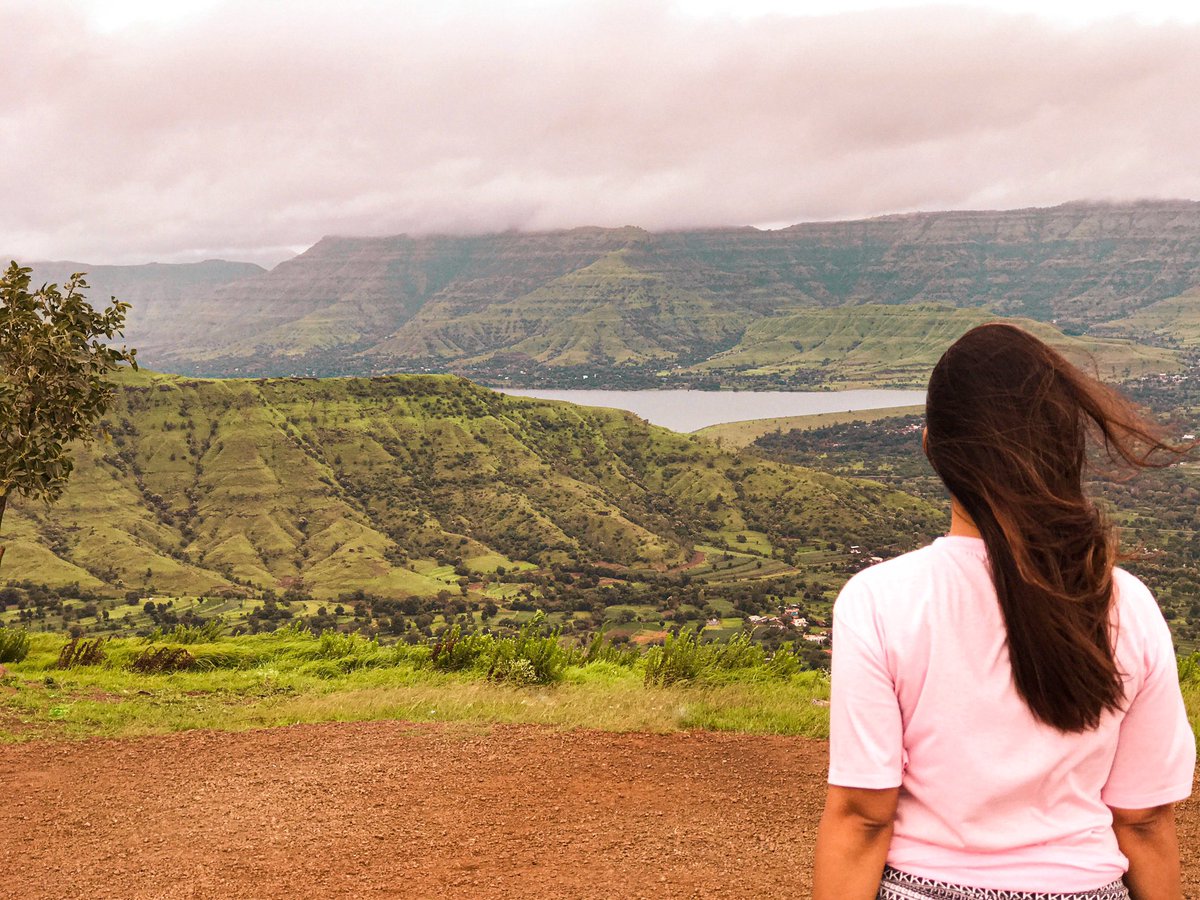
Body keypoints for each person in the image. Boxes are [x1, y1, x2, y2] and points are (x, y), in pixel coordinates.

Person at [811, 324, 1196, 900]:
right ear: (1063, 446)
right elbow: (1142, 820)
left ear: (929, 445)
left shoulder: (878, 601)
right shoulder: (1124, 602)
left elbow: (864, 816)